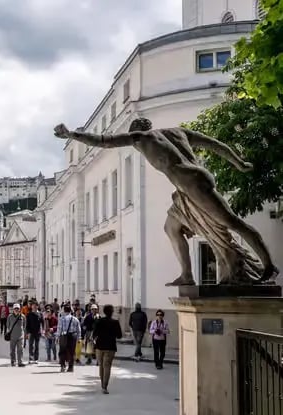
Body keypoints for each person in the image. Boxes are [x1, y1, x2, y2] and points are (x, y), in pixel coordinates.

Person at [54, 120, 278, 285]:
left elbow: (104, 141)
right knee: (171, 227)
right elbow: (215, 145)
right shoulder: (177, 132)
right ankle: (187, 275)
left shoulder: (141, 138)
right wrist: (239, 163)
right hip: (191, 182)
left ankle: (268, 265)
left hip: (190, 184)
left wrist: (72, 134)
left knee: (231, 222)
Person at [92, 304, 123, 394]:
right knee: (107, 366)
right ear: (112, 312)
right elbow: (119, 336)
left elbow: (94, 334)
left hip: (99, 346)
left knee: (101, 365)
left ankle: (102, 384)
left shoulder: (99, 321)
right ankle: (105, 386)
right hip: (110, 347)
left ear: (104, 312)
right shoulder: (115, 322)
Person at [57, 305, 81, 373]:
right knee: (72, 352)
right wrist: (79, 338)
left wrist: (57, 337)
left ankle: (63, 366)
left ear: (64, 310)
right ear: (71, 311)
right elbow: (78, 329)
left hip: (64, 336)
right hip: (73, 336)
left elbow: (59, 329)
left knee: (62, 351)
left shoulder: (61, 318)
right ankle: (71, 367)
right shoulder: (75, 319)